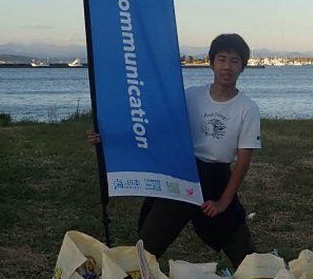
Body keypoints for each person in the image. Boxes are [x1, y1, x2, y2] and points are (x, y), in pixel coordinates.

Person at [87, 33, 261, 267]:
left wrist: (223, 202)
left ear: (243, 67)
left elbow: (243, 160)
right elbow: (150, 124)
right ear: (211, 63)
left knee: (248, 260)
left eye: (234, 61)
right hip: (182, 174)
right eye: (221, 59)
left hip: (217, 180)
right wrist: (108, 135)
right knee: (145, 251)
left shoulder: (247, 108)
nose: (227, 66)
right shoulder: (190, 96)